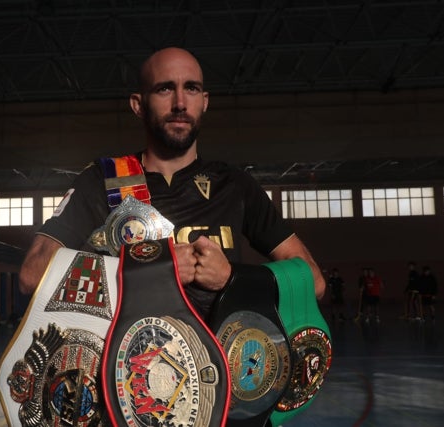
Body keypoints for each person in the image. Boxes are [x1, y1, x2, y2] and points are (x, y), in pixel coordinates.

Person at [18, 47, 325, 319]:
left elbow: (315, 281)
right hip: (127, 375)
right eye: (165, 89)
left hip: (219, 375)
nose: (180, 103)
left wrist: (233, 277)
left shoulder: (235, 184)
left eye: (191, 88)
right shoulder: (102, 180)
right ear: (138, 104)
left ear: (204, 102)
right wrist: (151, 272)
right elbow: (32, 275)